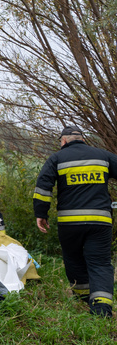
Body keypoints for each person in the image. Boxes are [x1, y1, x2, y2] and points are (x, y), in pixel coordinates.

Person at [34, 126, 117, 318]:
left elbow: (43, 187)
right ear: (83, 139)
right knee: (100, 264)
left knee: (73, 259)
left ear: (63, 141)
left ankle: (83, 299)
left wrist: (41, 213)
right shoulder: (102, 156)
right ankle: (101, 310)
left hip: (69, 223)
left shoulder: (56, 158)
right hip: (100, 221)